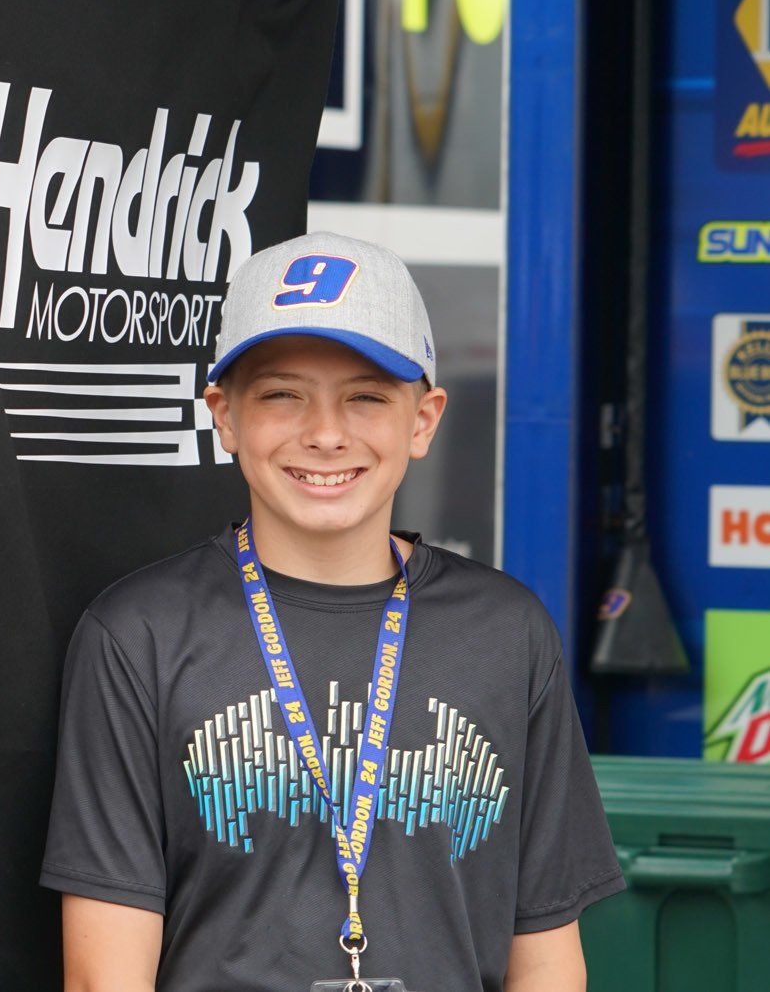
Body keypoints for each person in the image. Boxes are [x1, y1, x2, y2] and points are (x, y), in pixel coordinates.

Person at [40, 231, 623, 992]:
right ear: (224, 414)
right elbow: (103, 976)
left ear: (423, 419)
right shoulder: (138, 635)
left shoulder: (507, 633)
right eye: (283, 394)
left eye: (366, 397)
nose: (324, 434)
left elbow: (545, 956)